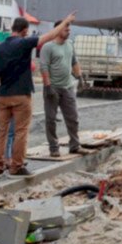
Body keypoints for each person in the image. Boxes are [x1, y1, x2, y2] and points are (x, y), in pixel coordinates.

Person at [0, 14, 76, 176]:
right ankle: (16, 166)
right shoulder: (23, 43)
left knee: (1, 131)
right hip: (21, 94)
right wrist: (65, 21)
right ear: (24, 30)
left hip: (2, 96)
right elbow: (48, 36)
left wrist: (5, 75)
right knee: (21, 131)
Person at [40, 21, 87, 158]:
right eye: (66, 28)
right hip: (52, 88)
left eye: (69, 28)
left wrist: (80, 77)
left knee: (73, 118)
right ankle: (54, 148)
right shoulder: (48, 47)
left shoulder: (70, 44)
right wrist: (48, 86)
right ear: (57, 30)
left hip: (68, 87)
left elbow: (74, 61)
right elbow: (44, 67)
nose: (69, 30)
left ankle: (75, 146)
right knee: (51, 119)